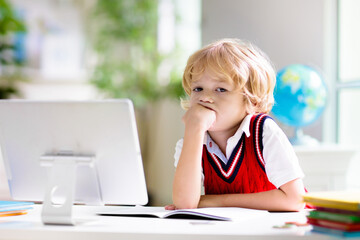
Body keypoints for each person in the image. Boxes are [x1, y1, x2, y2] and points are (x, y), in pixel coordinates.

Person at [166, 38, 306, 211]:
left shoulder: (263, 132)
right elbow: (185, 204)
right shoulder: (192, 141)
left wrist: (213, 201)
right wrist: (194, 129)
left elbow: (295, 200)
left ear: (252, 101)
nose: (205, 97)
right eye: (198, 89)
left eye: (221, 89)